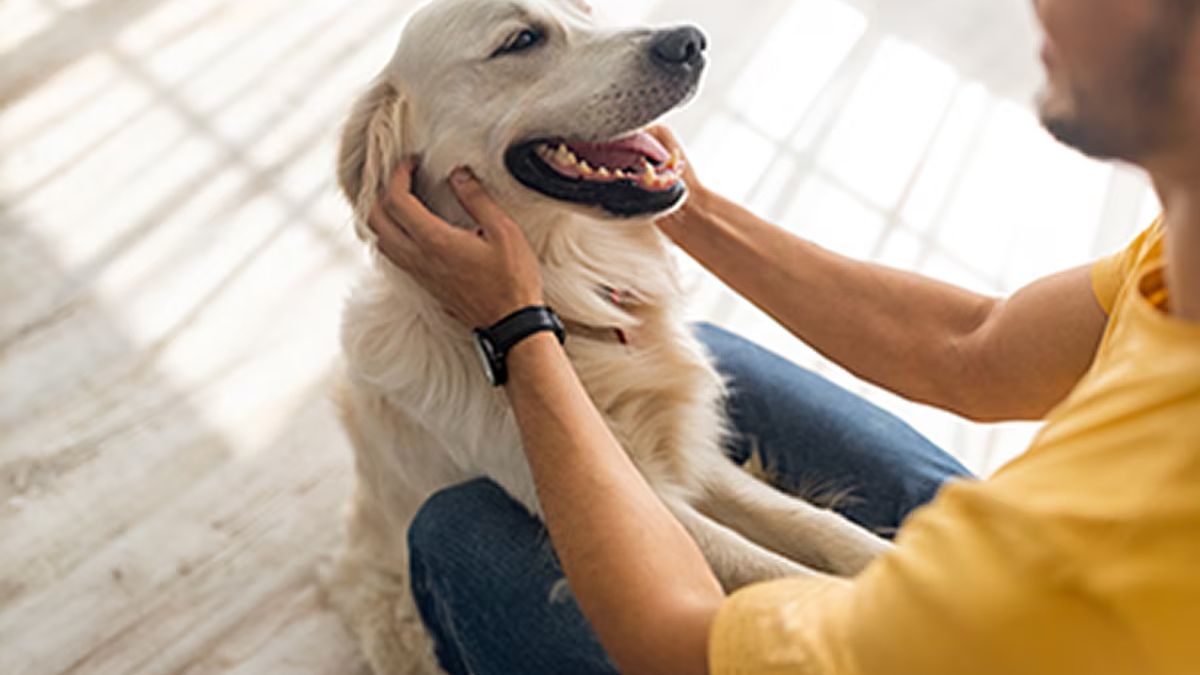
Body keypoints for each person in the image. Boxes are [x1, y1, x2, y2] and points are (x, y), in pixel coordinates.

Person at [367, 0, 1200, 672]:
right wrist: (676, 197)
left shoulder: (1126, 544)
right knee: (712, 366)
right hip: (1033, 565)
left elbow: (680, 643)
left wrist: (518, 331)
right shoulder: (1173, 253)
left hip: (1013, 637)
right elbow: (974, 346)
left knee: (461, 534)